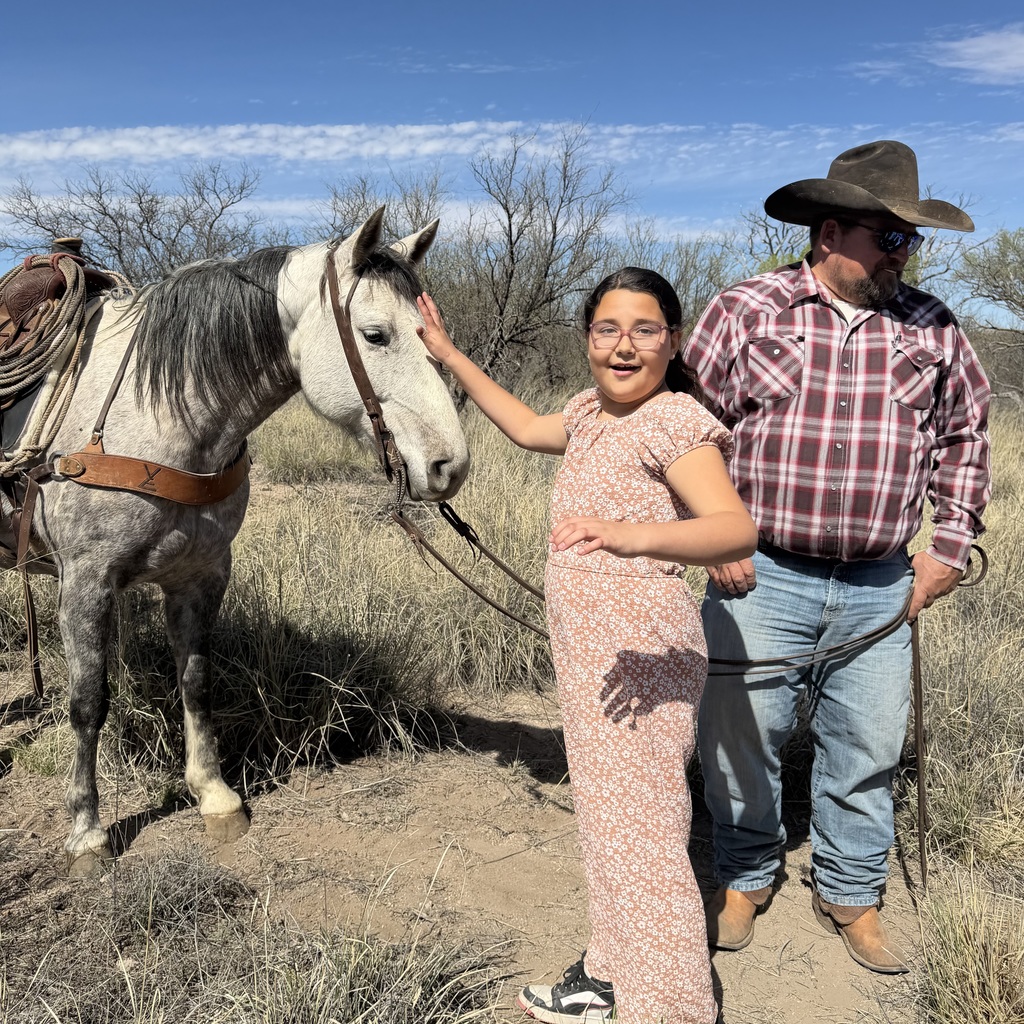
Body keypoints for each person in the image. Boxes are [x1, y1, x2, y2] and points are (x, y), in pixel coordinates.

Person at [682, 140, 991, 974]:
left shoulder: (935, 327)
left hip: (882, 582)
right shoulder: (746, 309)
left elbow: (965, 439)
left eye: (909, 239)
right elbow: (686, 429)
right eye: (888, 236)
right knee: (740, 738)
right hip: (760, 573)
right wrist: (709, 533)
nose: (902, 254)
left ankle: (851, 892)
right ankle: (745, 875)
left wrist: (949, 548)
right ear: (828, 234)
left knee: (869, 744)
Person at [416, 268, 757, 1024]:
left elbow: (735, 529)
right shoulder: (589, 413)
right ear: (587, 338)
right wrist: (447, 353)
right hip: (590, 656)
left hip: (642, 657)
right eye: (608, 329)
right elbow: (522, 425)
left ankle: (672, 1009)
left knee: (645, 839)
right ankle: (608, 976)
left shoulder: (674, 421)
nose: (624, 346)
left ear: (674, 340)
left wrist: (633, 536)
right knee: (611, 825)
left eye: (645, 330)